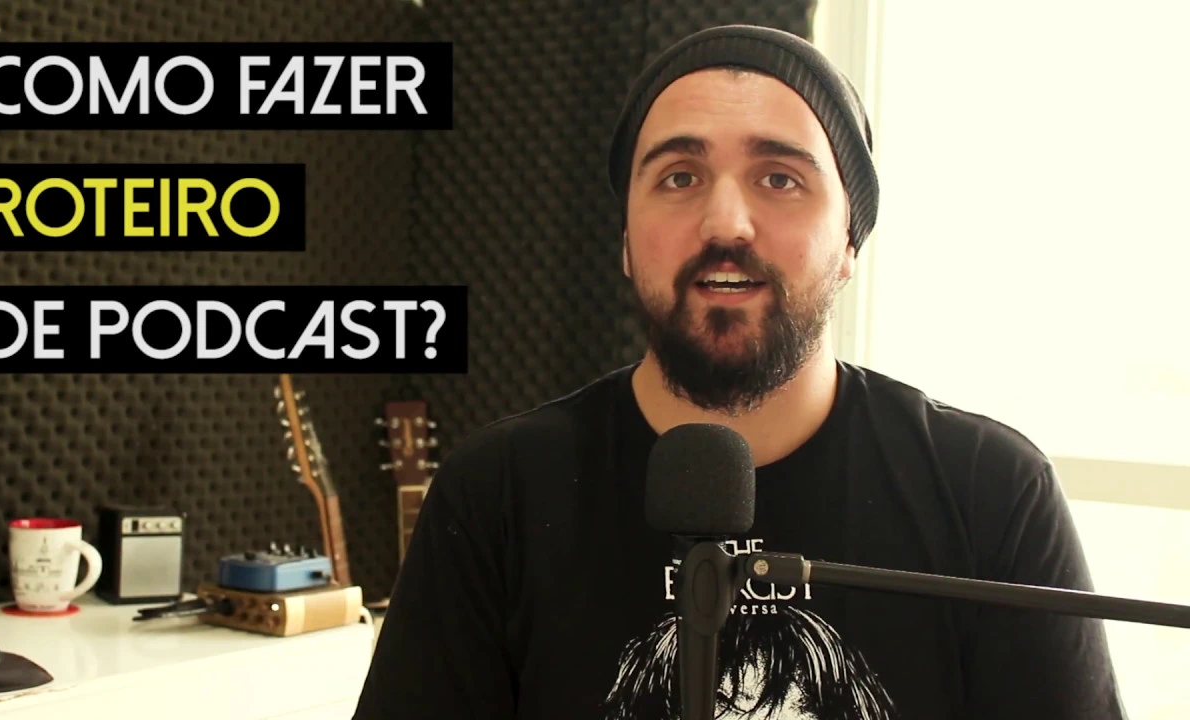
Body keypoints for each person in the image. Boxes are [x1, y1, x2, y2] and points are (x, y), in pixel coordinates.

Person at [352, 24, 1126, 720]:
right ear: (624, 241)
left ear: (849, 241)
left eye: (779, 178)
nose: (726, 222)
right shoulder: (496, 495)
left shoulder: (992, 494)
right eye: (679, 177)